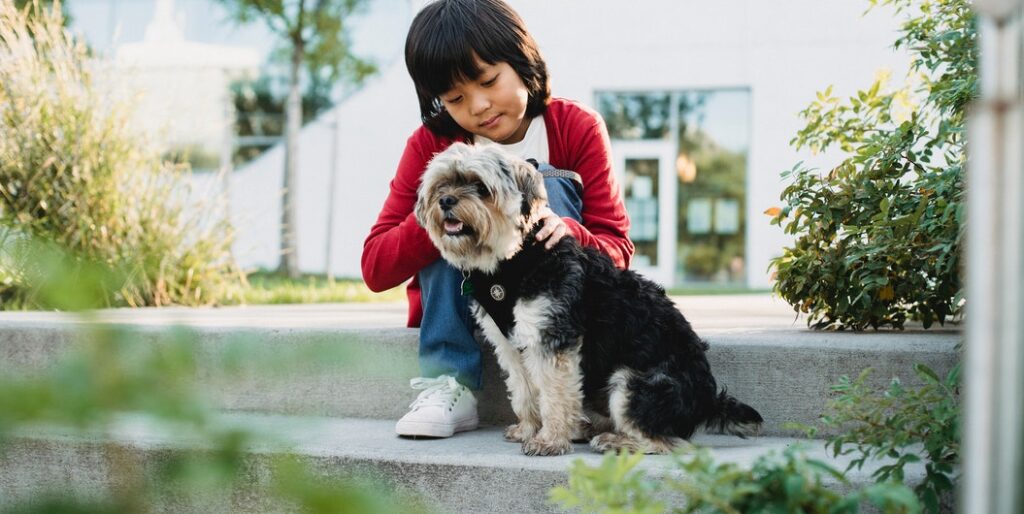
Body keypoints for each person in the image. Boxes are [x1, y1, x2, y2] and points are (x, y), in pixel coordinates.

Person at [361, 0, 633, 438]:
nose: (480, 105)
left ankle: (561, 394)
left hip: (553, 315)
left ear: (522, 61)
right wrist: (445, 208)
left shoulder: (575, 126)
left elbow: (616, 249)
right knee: (441, 210)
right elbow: (375, 268)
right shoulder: (430, 144)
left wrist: (567, 230)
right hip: (466, 307)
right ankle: (449, 381)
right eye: (455, 98)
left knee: (546, 183)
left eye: (489, 80)